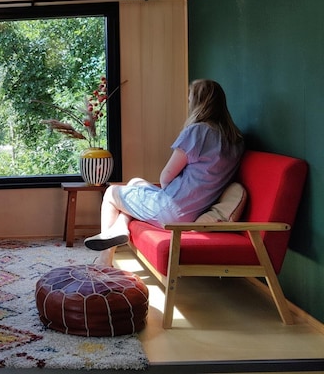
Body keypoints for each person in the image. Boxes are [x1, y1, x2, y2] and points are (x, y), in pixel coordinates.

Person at [84, 79, 245, 263]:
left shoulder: (197, 132)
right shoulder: (236, 141)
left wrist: (167, 193)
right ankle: (120, 227)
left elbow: (165, 177)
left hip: (173, 210)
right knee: (136, 182)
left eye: (190, 100)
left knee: (112, 193)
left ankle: (105, 259)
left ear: (198, 103)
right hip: (195, 210)